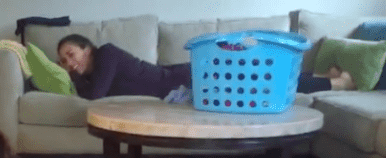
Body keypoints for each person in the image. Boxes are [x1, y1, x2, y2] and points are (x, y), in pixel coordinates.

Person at [56, 34, 357, 101]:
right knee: (258, 77)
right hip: (176, 76)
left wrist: (74, 79)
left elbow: (95, 97)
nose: (70, 63)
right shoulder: (92, 73)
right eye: (64, 61)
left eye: (72, 54)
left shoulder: (107, 54)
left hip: (185, 78)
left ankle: (336, 83)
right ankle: (327, 77)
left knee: (259, 80)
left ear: (87, 48)